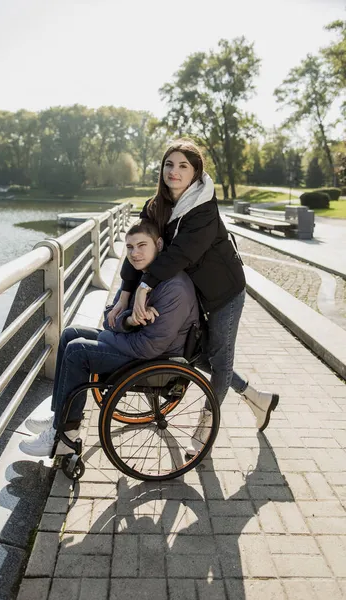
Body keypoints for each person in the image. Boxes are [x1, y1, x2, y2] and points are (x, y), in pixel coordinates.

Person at [108, 139, 279, 456]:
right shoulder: (155, 206)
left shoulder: (203, 209)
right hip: (190, 294)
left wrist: (146, 287)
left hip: (222, 292)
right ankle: (258, 398)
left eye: (183, 166)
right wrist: (125, 294)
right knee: (197, 354)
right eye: (169, 164)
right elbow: (139, 248)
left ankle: (206, 426)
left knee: (219, 358)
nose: (174, 171)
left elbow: (180, 254)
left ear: (196, 173)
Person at [19, 219, 199, 457]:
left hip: (157, 360)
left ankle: (66, 436)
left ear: (159, 244)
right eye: (130, 247)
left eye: (142, 245)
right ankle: (60, 417)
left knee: (77, 350)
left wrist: (112, 331)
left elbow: (150, 346)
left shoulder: (173, 287)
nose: (135, 253)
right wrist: (129, 321)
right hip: (139, 344)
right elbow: (109, 317)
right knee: (70, 334)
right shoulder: (140, 277)